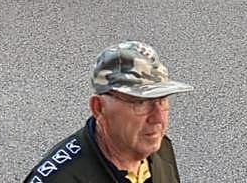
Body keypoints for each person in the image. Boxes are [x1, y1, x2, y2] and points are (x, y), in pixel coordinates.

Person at [21, 41, 190, 183]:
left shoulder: (159, 150)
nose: (158, 118)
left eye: (162, 100)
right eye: (140, 103)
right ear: (99, 108)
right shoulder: (60, 178)